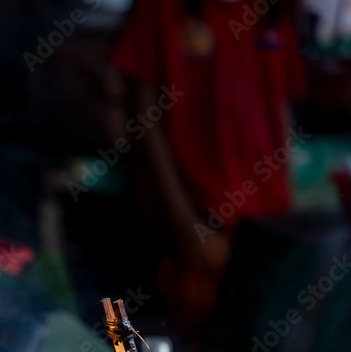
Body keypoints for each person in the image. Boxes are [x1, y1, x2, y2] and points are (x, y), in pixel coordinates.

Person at [112, 0, 306, 332]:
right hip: (197, 229)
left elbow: (281, 109)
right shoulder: (159, 10)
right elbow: (144, 125)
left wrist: (287, 217)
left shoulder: (273, 9)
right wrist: (190, 228)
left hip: (268, 228)